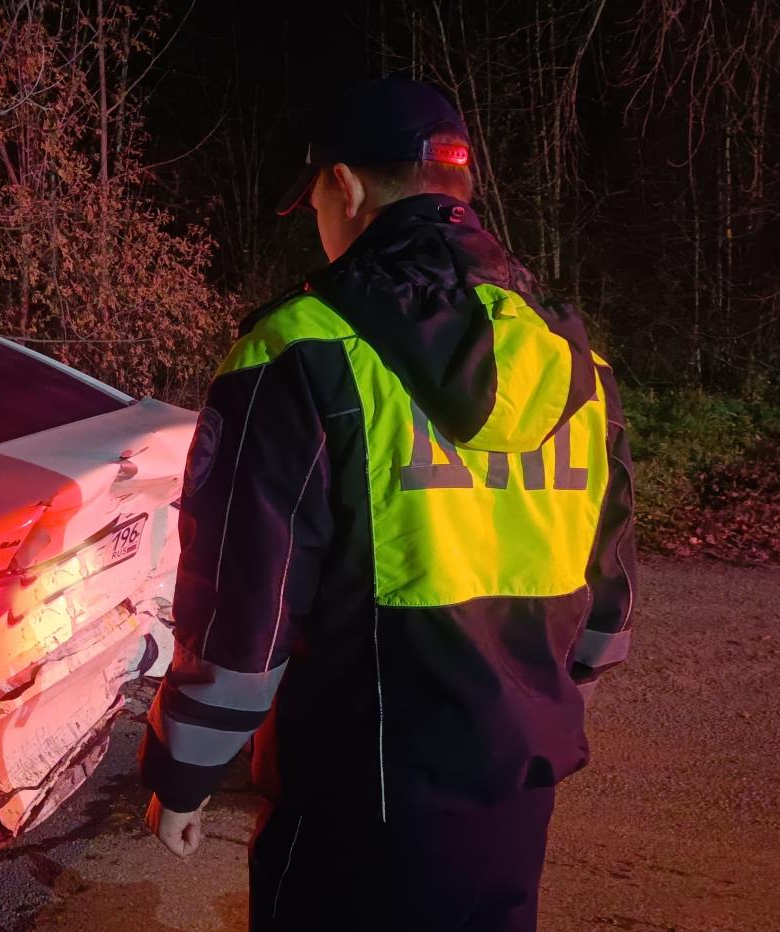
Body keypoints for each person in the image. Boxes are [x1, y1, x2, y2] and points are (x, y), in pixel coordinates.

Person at [138, 77, 636, 932]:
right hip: (517, 790)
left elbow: (246, 607)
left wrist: (182, 771)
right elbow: (609, 584)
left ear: (346, 186)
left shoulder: (299, 349)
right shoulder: (571, 359)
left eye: (319, 203)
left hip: (356, 807)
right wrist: (549, 691)